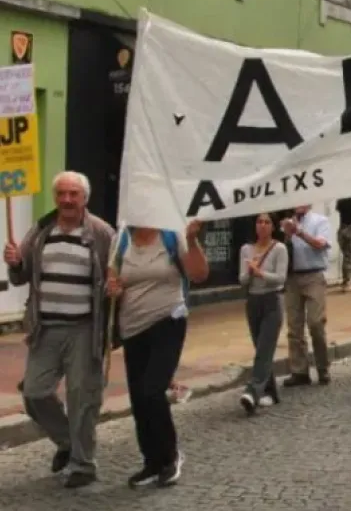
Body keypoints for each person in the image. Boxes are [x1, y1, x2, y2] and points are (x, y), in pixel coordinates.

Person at [4, 171, 114, 488]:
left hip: (84, 330)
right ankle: (68, 442)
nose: (66, 199)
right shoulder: (40, 230)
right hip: (45, 329)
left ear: (85, 199)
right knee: (35, 393)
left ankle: (83, 464)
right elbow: (20, 274)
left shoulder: (102, 232)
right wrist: (13, 262)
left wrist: (116, 285)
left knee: (83, 398)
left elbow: (117, 271)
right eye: (62, 194)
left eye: (73, 194)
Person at [106, 220, 209, 488]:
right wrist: (113, 288)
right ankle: (151, 461)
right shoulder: (122, 239)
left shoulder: (172, 235)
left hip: (168, 321)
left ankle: (171, 456)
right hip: (132, 327)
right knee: (139, 397)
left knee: (153, 390)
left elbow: (199, 274)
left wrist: (192, 239)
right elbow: (112, 279)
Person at [238, 213, 289, 415]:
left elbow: (280, 278)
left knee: (264, 349)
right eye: (259, 221)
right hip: (253, 301)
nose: (263, 225)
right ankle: (271, 392)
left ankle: (252, 392)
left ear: (273, 226)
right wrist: (250, 272)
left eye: (267, 222)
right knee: (260, 347)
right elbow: (241, 280)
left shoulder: (280, 249)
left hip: (272, 301)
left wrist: (261, 273)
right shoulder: (246, 249)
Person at [281, 205, 333, 387]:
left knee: (316, 323)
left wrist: (299, 233)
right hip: (292, 277)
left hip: (314, 275)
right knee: (294, 326)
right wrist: (286, 235)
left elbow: (320, 244)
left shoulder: (320, 221)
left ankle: (322, 368)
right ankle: (299, 371)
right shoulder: (286, 221)